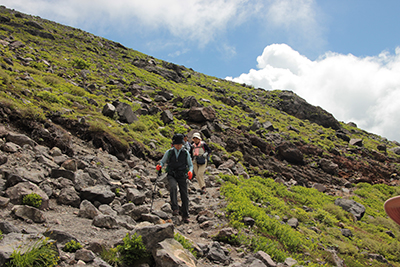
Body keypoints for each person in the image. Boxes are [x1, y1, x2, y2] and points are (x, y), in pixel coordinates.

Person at [156, 133, 193, 223]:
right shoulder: (169, 152)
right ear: (173, 144)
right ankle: (175, 209)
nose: (178, 146)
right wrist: (159, 166)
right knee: (173, 187)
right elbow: (162, 162)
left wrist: (190, 171)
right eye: (177, 144)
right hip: (171, 174)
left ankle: (185, 214)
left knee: (184, 194)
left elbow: (190, 165)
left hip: (182, 175)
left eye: (180, 144)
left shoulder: (185, 153)